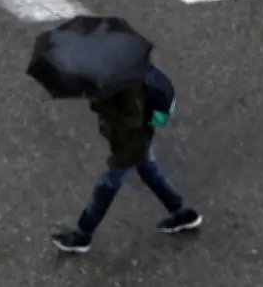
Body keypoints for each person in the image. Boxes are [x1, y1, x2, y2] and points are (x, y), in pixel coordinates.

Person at [51, 63, 202, 253]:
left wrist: (100, 103)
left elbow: (131, 119)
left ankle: (82, 234)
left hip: (130, 143)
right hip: (139, 138)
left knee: (107, 186)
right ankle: (182, 212)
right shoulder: (124, 68)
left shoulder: (126, 85)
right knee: (148, 170)